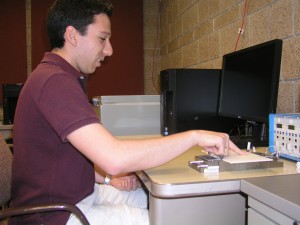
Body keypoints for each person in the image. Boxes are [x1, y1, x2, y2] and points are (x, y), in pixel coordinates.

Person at [10, 0, 244, 224]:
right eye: (102, 39)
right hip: (55, 216)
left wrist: (109, 179)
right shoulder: (54, 81)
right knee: (169, 216)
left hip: (76, 198)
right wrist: (194, 136)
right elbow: (114, 158)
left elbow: (59, 159)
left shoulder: (59, 77)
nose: (109, 50)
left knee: (161, 202)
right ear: (72, 36)